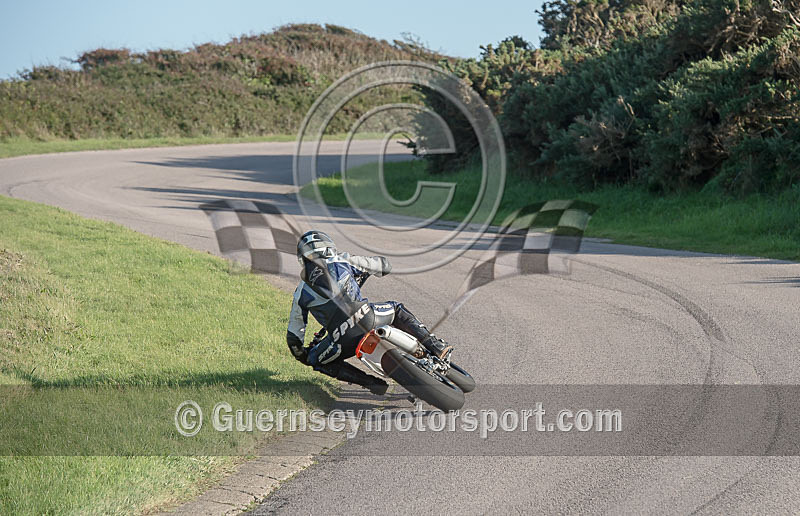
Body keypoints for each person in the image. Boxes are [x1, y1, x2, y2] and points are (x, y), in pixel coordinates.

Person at [286, 230, 453, 395]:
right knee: (396, 309)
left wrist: (304, 355)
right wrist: (379, 265)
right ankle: (436, 346)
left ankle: (372, 384)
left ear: (303, 258)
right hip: (369, 318)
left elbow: (294, 340)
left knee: (316, 360)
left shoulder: (300, 292)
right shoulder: (342, 259)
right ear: (329, 247)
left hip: (340, 341)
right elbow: (383, 266)